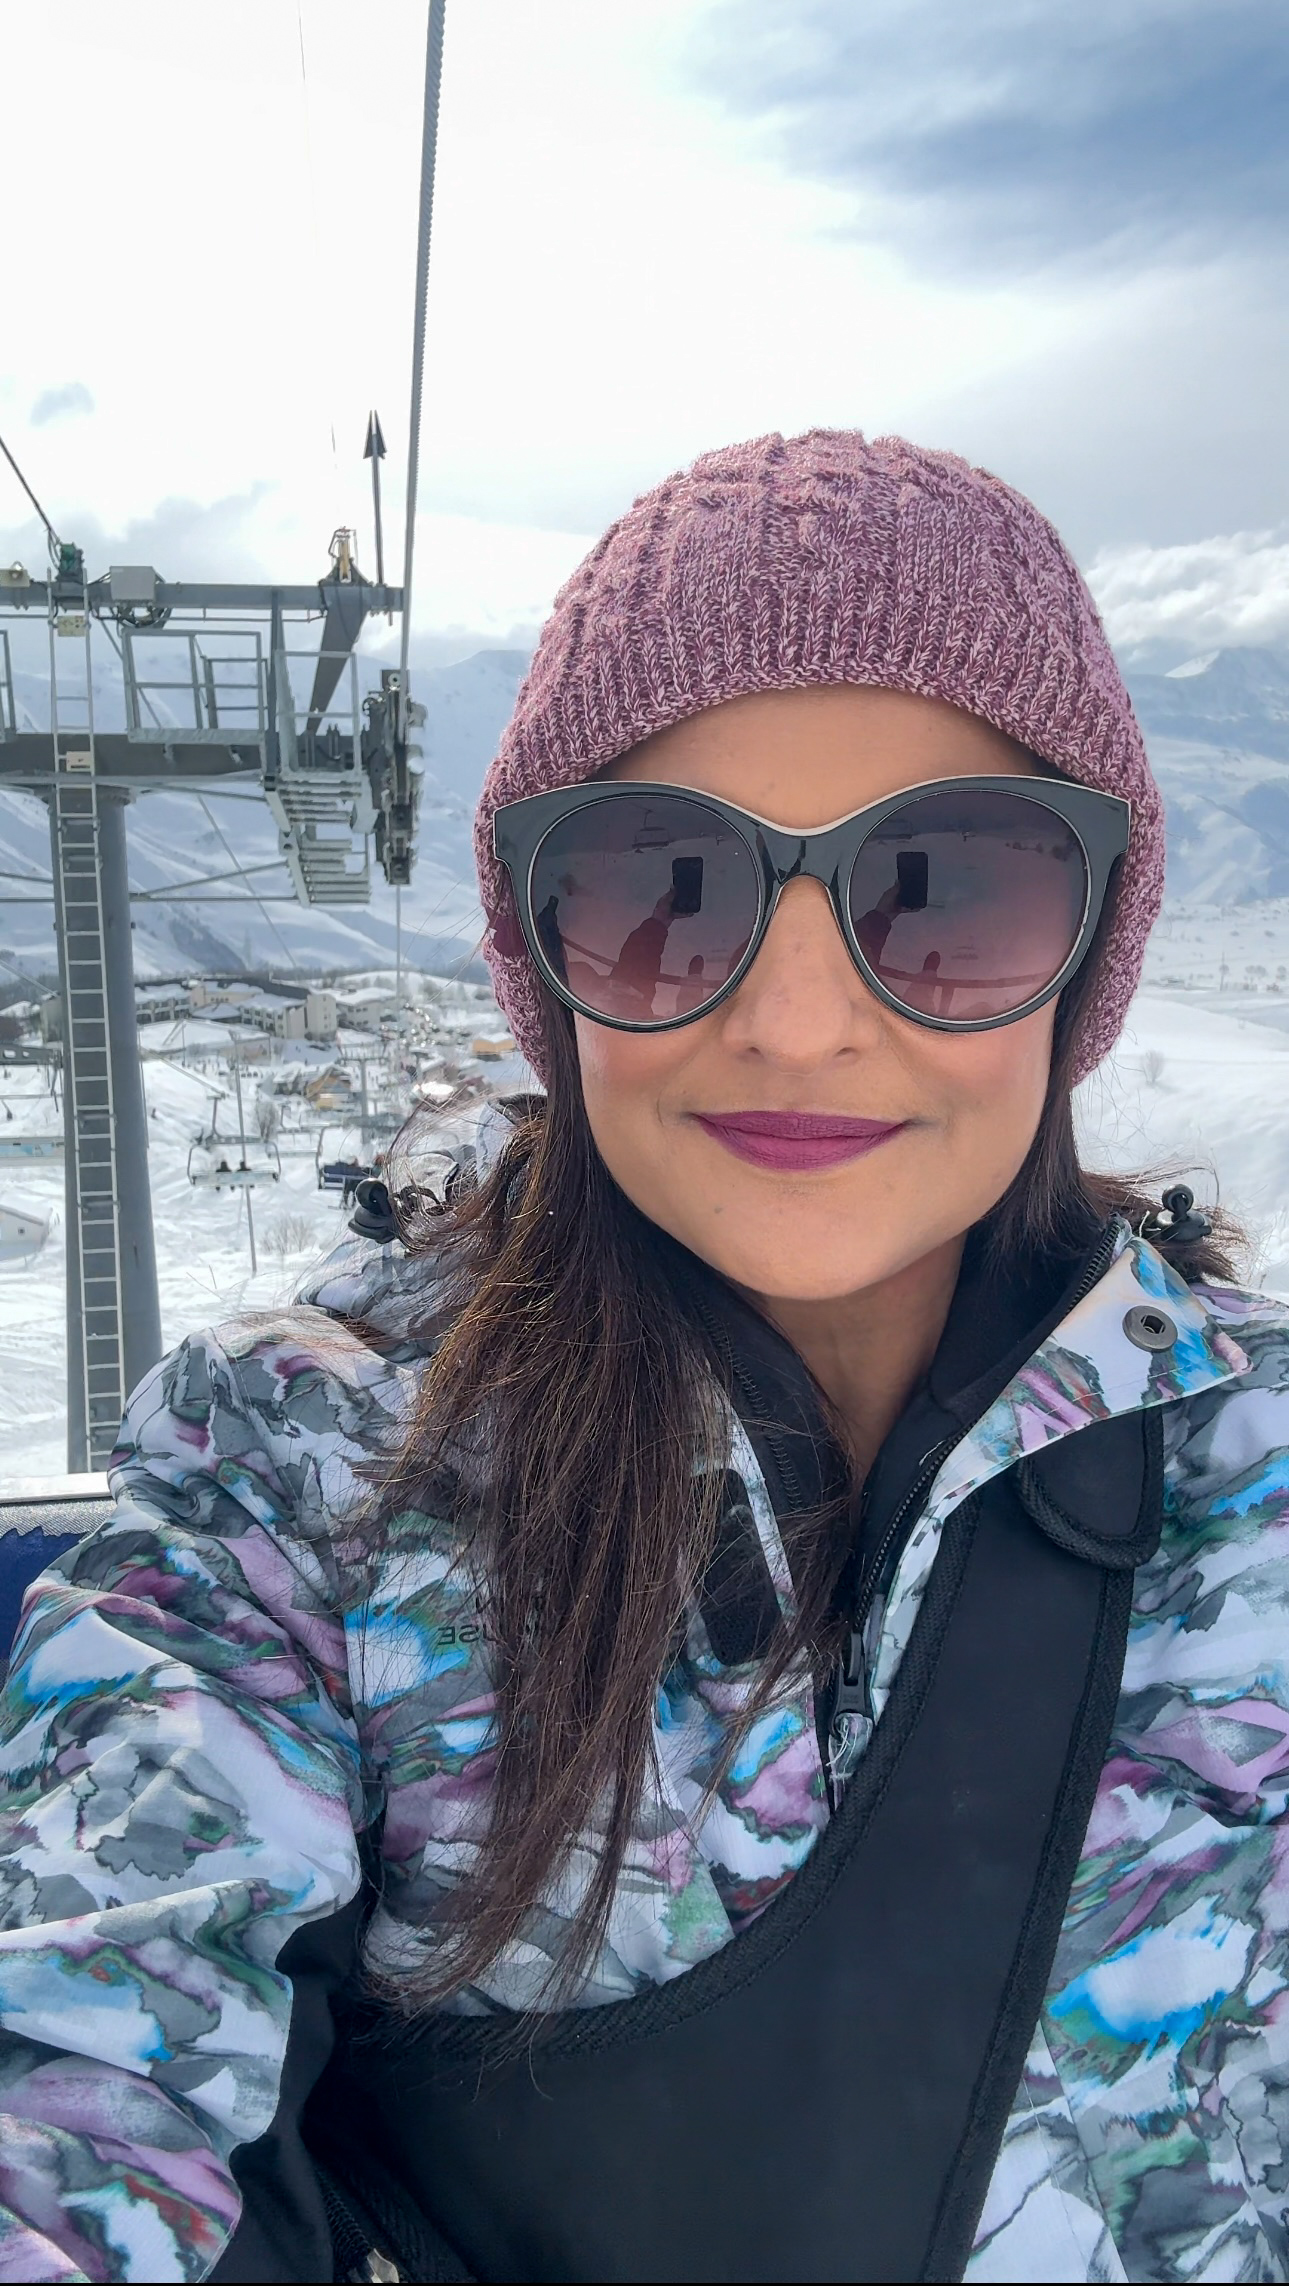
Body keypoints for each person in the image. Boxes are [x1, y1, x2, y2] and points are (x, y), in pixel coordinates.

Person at [1, 430, 1287, 2286]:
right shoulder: (307, 1470)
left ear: (1085, 952)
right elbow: (93, 2056)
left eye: (945, 891)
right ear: (546, 946)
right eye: (659, 886)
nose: (794, 1017)